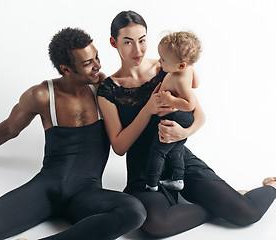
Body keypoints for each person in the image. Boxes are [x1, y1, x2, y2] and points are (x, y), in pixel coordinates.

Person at [0, 27, 146, 240]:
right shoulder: (41, 95)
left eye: (97, 57)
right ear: (66, 69)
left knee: (134, 212)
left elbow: (141, 114)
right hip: (46, 190)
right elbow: (10, 128)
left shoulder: (104, 87)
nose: (98, 66)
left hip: (87, 193)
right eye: (87, 63)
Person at [97, 10, 276, 238]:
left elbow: (199, 114)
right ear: (114, 43)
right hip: (144, 169)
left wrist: (184, 131)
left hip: (179, 156)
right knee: (156, 226)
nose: (138, 49)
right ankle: (216, 208)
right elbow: (119, 147)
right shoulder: (108, 89)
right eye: (128, 42)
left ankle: (272, 186)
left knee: (246, 213)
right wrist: (148, 110)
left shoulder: (167, 67)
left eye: (142, 40)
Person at [146, 31, 201, 192]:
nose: (159, 61)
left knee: (158, 151)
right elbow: (196, 84)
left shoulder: (180, 79)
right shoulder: (186, 70)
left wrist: (171, 100)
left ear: (181, 65)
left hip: (176, 118)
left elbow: (190, 104)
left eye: (163, 60)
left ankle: (151, 184)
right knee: (176, 150)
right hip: (182, 118)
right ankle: (178, 179)